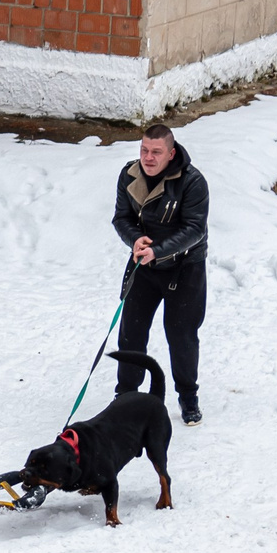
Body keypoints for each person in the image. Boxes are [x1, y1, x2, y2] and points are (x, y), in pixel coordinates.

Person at [109, 122, 209, 426]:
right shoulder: (129, 175)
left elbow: (195, 229)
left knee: (181, 336)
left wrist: (160, 249)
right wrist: (134, 239)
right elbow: (121, 217)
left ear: (171, 153)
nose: (148, 158)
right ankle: (126, 394)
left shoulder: (192, 182)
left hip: (184, 269)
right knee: (131, 333)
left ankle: (188, 397)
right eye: (144, 150)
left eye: (156, 152)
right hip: (144, 265)